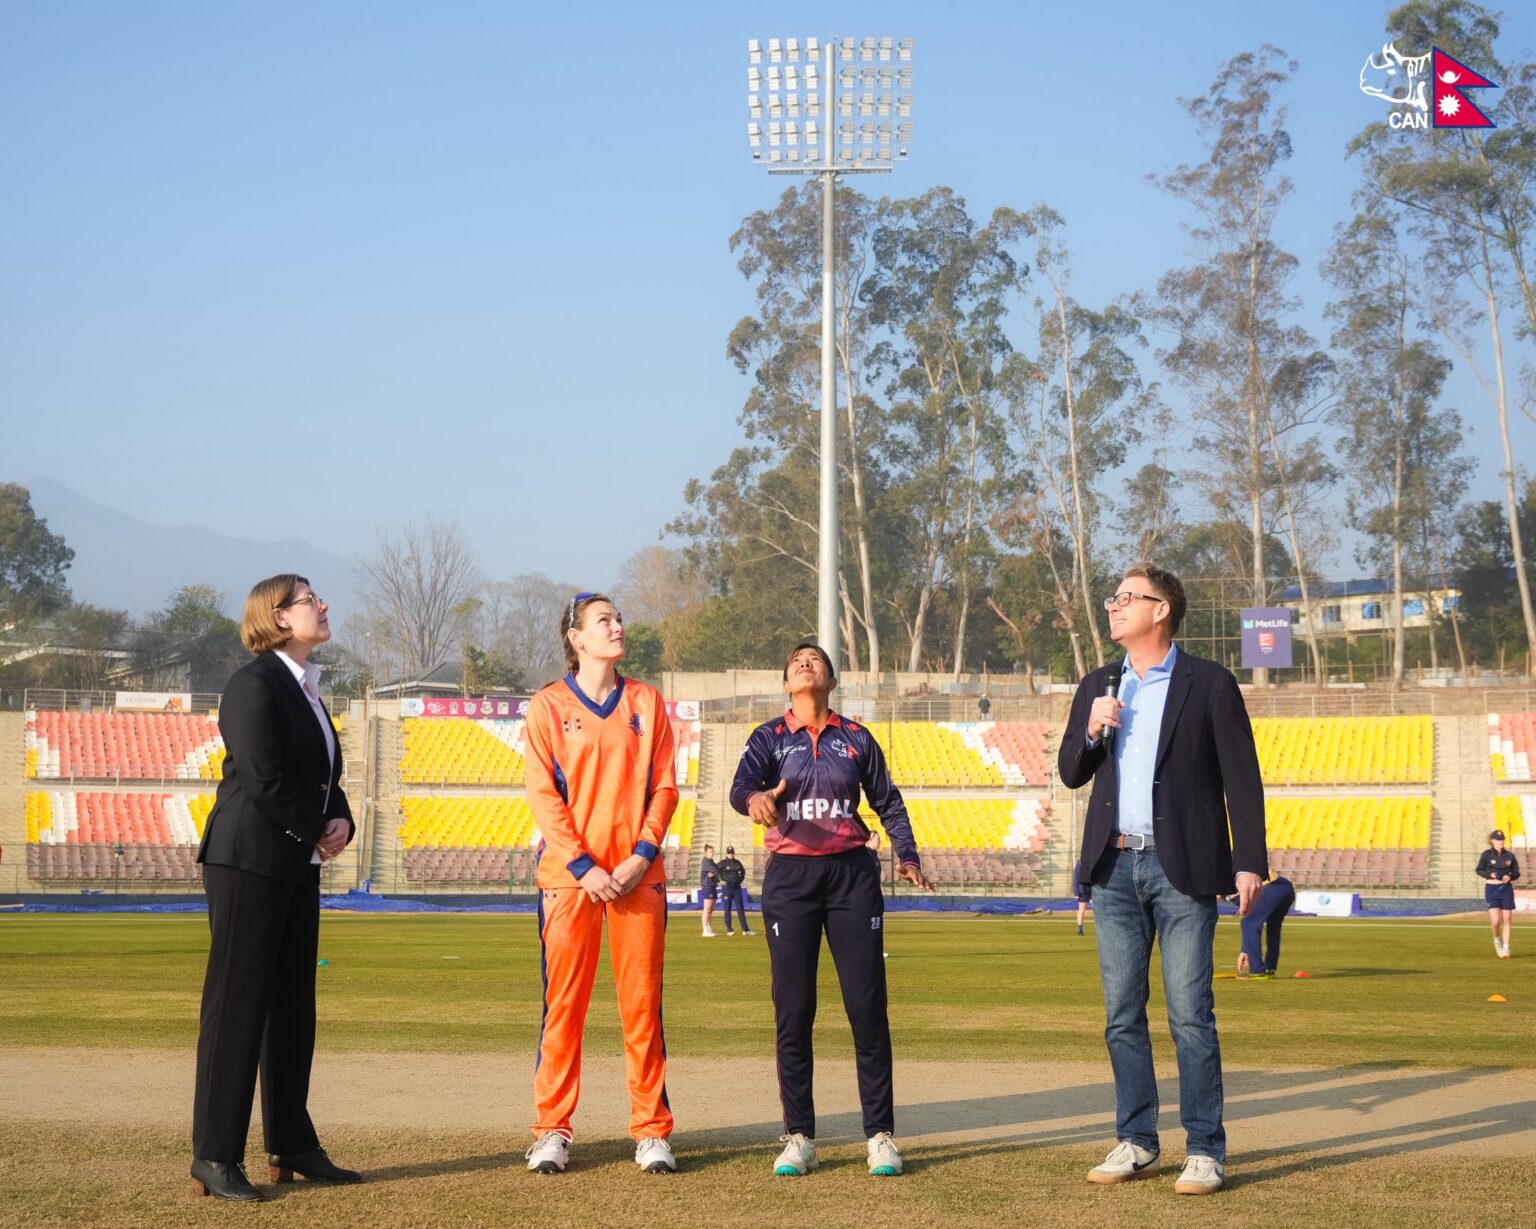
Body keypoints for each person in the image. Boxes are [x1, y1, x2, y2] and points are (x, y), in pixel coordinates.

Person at [1058, 564, 1267, 1197]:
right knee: (1122, 1015)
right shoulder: (1099, 684)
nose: (1114, 607)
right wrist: (1094, 729)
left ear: (1161, 610)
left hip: (1185, 869)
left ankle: (1204, 1148)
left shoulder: (1210, 683)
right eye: (1112, 598)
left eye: (1126, 598)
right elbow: (1071, 771)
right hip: (1115, 867)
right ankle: (1138, 1140)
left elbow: (1242, 777)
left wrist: (1249, 859)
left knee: (1189, 1015)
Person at [731, 642, 934, 1179]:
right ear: (785, 682)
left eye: (814, 659)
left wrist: (907, 854)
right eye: (795, 661)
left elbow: (887, 800)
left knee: (867, 1008)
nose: (804, 663)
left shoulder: (856, 738)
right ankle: (799, 1136)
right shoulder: (768, 738)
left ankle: (880, 1135)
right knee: (794, 1010)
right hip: (790, 879)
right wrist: (754, 800)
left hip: (852, 877)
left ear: (831, 679)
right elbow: (741, 788)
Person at [190, 575, 359, 1201]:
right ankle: (214, 1155)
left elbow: (321, 776)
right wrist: (320, 826)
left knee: (292, 1007)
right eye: (311, 600)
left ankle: (290, 1141)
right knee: (236, 1008)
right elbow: (262, 777)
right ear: (278, 617)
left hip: (292, 862)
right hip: (246, 860)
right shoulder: (252, 683)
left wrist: (340, 815)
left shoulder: (309, 689)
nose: (323, 605)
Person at [522, 592, 680, 1175]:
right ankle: (552, 1130)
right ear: (576, 637)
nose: (617, 626)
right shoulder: (547, 706)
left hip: (639, 878)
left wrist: (641, 855)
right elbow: (544, 796)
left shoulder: (646, 701)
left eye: (618, 618)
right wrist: (585, 867)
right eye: (603, 620)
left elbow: (664, 786)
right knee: (564, 1009)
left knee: (642, 1009)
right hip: (570, 882)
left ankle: (652, 1131)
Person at [1236, 874, 1295, 977]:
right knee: (1273, 927)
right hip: (1286, 888)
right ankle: (1269, 968)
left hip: (1272, 887)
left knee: (1249, 923)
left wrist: (1245, 951)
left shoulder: (1221, 882)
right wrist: (1245, 950)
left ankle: (1257, 970)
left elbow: (1248, 917)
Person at [1476, 830, 1520, 959]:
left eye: (1502, 839)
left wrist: (1509, 876)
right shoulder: (1486, 855)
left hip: (1506, 889)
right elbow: (1479, 869)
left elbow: (1516, 872)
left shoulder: (1510, 856)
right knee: (1495, 921)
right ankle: (1497, 940)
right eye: (1498, 839)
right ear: (1492, 841)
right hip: (1492, 889)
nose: (1501, 841)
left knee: (1507, 920)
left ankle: (1506, 948)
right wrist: (1490, 875)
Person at [716, 846, 753, 935]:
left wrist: (740, 880)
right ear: (726, 854)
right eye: (729, 853)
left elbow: (742, 872)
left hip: (737, 888)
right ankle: (729, 929)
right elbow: (715, 872)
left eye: (732, 852)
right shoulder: (722, 863)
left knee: (740, 909)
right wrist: (720, 880)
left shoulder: (737, 863)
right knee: (727, 909)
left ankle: (745, 930)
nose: (730, 854)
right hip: (727, 889)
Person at [700, 844, 721, 937]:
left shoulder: (711, 862)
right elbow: (716, 870)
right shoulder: (705, 861)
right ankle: (705, 930)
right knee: (707, 908)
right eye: (710, 852)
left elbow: (717, 870)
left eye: (712, 851)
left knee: (711, 909)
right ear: (706, 853)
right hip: (707, 886)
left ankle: (709, 928)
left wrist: (715, 873)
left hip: (712, 885)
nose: (712, 853)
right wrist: (716, 872)